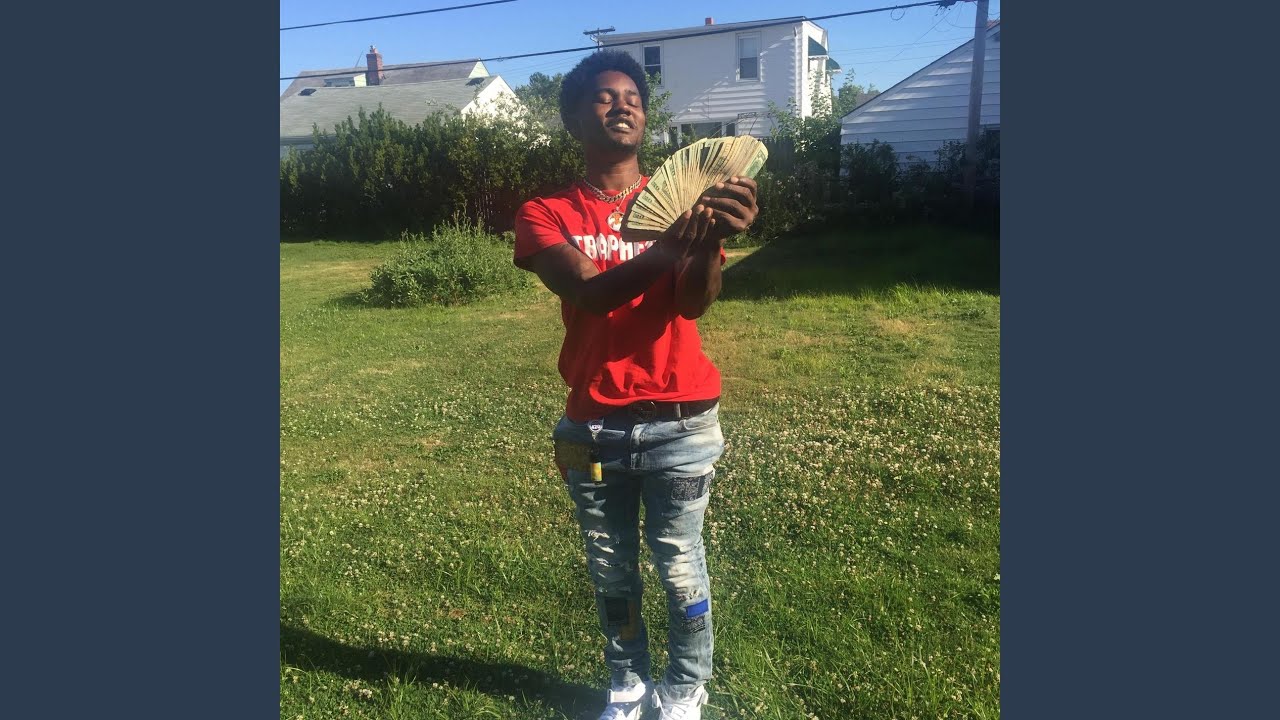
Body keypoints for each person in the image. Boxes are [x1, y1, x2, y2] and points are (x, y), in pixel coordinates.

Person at [512, 50, 758, 720]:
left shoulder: (693, 200)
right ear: (572, 119)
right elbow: (591, 294)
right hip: (591, 427)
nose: (623, 105)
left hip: (682, 421)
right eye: (603, 96)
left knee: (681, 567)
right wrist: (672, 243)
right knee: (611, 569)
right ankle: (626, 685)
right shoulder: (546, 212)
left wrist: (705, 241)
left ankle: (684, 689)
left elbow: (693, 303)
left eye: (635, 98)